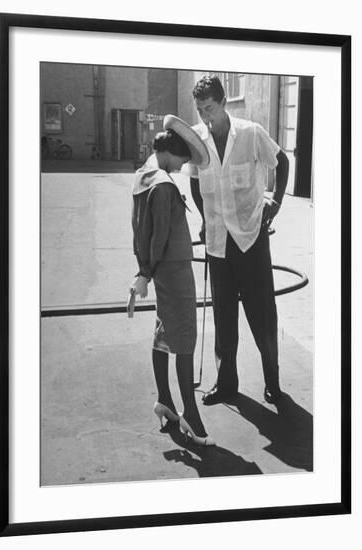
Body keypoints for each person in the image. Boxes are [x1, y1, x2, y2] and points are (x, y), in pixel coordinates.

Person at [188, 74, 289, 406]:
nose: (206, 117)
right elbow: (193, 181)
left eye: (211, 108)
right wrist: (205, 219)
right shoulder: (198, 139)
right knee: (224, 317)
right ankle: (227, 383)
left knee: (262, 315)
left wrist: (275, 202)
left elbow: (282, 161)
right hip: (218, 242)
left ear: (224, 102)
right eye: (201, 110)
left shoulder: (250, 133)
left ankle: (273, 382)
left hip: (251, 238)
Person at [130, 114, 214, 446]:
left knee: (164, 334)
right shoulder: (164, 184)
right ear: (170, 153)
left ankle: (165, 400)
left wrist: (144, 270)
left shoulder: (145, 177)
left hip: (163, 269)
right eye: (182, 160)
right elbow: (159, 234)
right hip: (175, 272)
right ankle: (190, 416)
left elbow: (141, 233)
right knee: (184, 341)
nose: (183, 167)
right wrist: (145, 272)